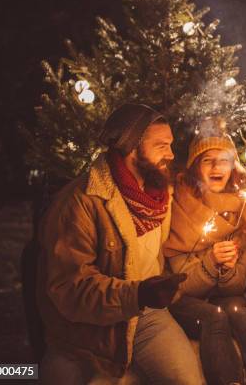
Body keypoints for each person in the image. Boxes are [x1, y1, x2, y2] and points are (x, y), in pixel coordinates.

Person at [36, 104, 203, 384]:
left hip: (147, 317)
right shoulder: (81, 203)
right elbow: (68, 287)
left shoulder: (159, 194)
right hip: (89, 332)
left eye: (171, 145)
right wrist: (136, 295)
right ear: (130, 147)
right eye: (161, 146)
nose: (171, 155)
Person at [164, 118, 246, 385]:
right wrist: (210, 262)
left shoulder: (245, 210)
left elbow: (235, 287)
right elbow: (182, 285)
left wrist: (227, 266)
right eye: (207, 160)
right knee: (214, 315)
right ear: (195, 166)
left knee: (238, 309)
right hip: (184, 299)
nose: (217, 166)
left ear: (234, 166)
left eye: (224, 159)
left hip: (226, 295)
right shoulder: (178, 206)